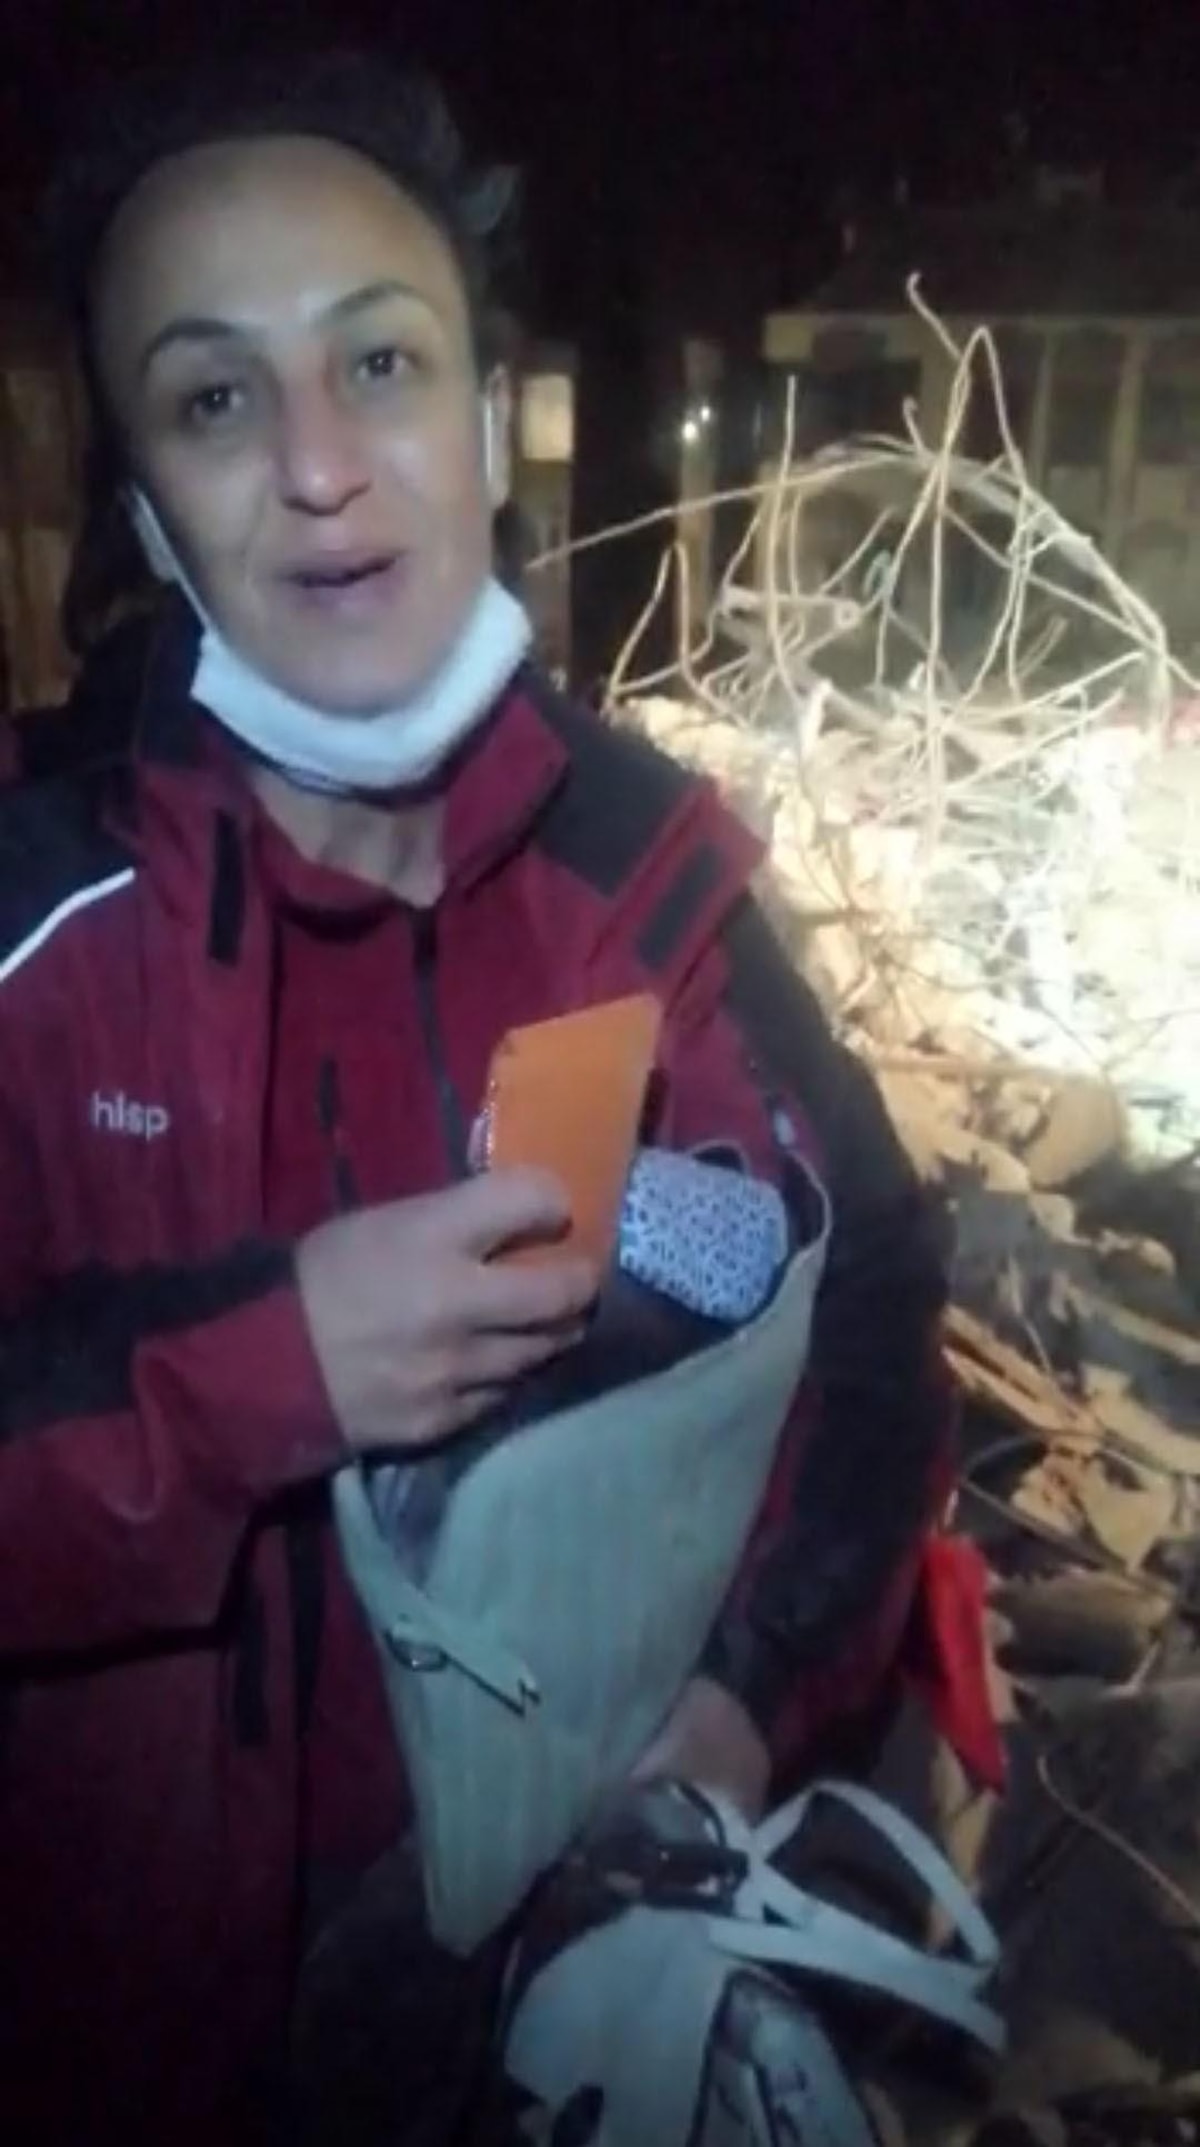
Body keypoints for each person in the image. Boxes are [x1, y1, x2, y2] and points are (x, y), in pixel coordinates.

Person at [0, 50, 957, 2147]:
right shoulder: (28, 924)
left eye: (382, 363)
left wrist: (749, 1708)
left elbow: (878, 1294)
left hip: (531, 2021)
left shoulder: (654, 878)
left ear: (486, 417)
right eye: (217, 399)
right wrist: (266, 1370)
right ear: (144, 501)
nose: (321, 467)